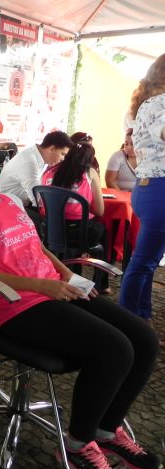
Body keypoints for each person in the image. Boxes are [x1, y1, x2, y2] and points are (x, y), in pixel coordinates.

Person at [0, 149, 161, 469]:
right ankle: (78, 444)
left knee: (144, 340)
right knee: (115, 348)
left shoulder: (10, 201)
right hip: (15, 305)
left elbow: (37, 247)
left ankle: (106, 430)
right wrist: (42, 286)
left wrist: (66, 275)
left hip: (54, 288)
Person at [119, 53, 165, 324]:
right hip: (158, 189)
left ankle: (141, 319)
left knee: (147, 263)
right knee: (142, 264)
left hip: (152, 189)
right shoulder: (159, 103)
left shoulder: (151, 103)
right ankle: (128, 323)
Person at [41, 142, 108, 291]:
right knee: (102, 231)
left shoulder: (49, 171)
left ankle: (65, 270)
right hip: (78, 233)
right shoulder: (89, 172)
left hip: (51, 230)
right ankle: (102, 284)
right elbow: (99, 211)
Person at [0, 131, 73, 228]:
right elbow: (37, 199)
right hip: (8, 207)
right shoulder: (29, 162)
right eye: (62, 154)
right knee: (53, 223)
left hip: (15, 202)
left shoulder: (34, 155)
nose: (63, 159)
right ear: (52, 148)